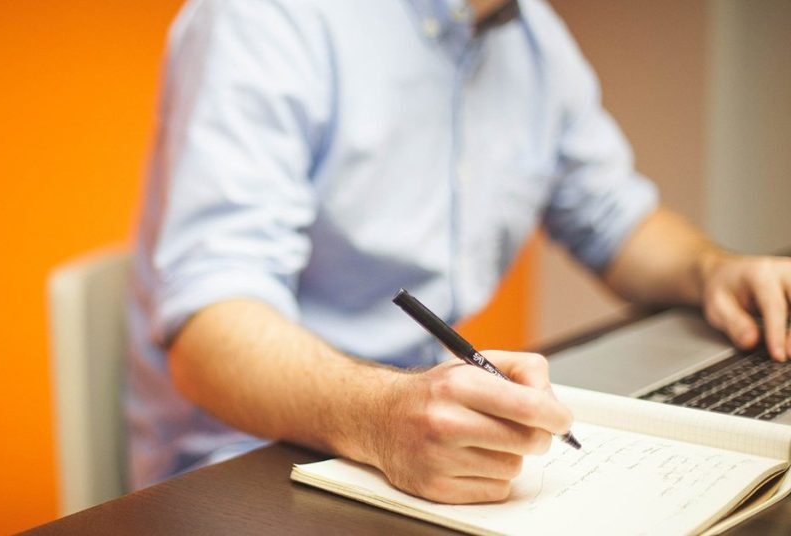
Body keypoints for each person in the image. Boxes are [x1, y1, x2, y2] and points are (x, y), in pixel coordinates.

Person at [125, 0, 791, 502]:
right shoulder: (267, 19)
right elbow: (210, 328)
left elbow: (614, 218)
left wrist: (713, 270)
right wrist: (379, 419)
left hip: (420, 441)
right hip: (254, 465)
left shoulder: (532, 41)